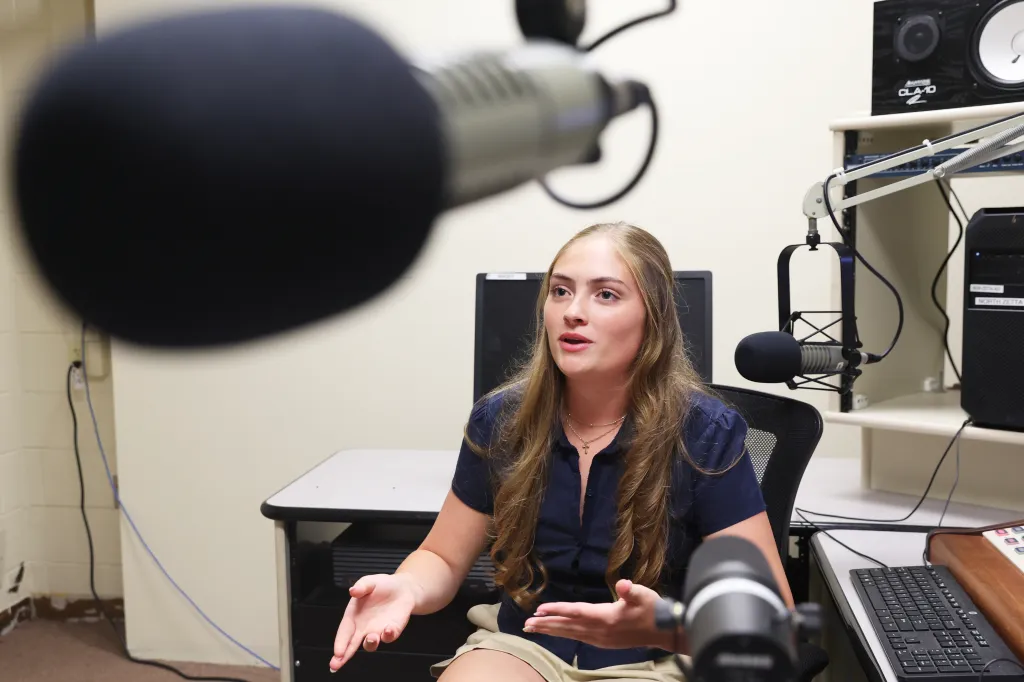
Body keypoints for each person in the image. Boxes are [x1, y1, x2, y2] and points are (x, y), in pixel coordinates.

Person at [328, 222, 794, 681]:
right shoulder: (499, 420)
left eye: (605, 294)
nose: (573, 312)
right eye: (561, 292)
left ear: (653, 318)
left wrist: (668, 628)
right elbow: (444, 559)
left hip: (652, 659)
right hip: (524, 644)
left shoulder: (704, 432)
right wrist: (406, 586)